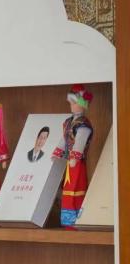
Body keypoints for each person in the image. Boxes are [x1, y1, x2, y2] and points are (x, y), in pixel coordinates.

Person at [52, 84, 94, 228]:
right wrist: (57, 152)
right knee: (68, 188)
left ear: (83, 104)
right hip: (70, 163)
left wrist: (75, 157)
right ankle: (67, 221)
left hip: (77, 162)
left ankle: (76, 220)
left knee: (76, 188)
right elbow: (63, 139)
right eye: (71, 103)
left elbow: (80, 142)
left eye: (74, 103)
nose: (72, 106)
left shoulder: (83, 124)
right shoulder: (68, 122)